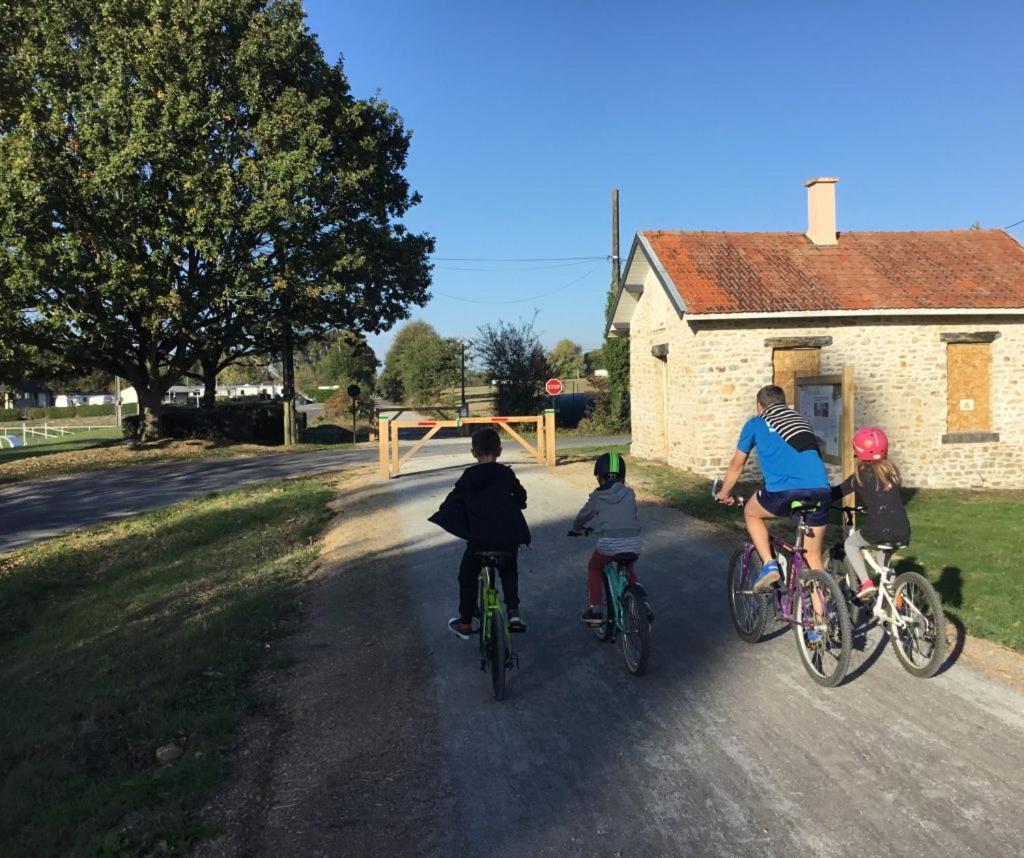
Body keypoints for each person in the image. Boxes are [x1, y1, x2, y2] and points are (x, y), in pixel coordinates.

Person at [715, 384, 832, 592]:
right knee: (813, 556)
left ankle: (769, 564)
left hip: (783, 491)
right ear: (784, 403)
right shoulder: (802, 420)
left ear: (759, 406)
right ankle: (820, 621)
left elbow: (737, 465)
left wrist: (724, 493)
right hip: (821, 489)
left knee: (751, 513)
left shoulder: (756, 423)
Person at [428, 427, 530, 639]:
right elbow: (521, 497)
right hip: (507, 539)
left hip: (480, 542)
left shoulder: (469, 476)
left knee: (467, 575)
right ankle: (513, 613)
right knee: (509, 570)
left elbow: (452, 501)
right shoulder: (506, 473)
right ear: (499, 451)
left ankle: (465, 622)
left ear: (473, 452)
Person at [831, 426, 910, 601]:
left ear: (858, 452)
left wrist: (817, 501)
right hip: (903, 529)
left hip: (878, 529)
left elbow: (837, 493)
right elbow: (885, 498)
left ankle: (866, 583)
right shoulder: (892, 472)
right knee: (885, 559)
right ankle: (896, 596)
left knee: (851, 544)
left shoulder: (860, 475)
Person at [570, 451, 645, 625]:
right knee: (628, 569)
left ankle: (595, 609)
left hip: (609, 544)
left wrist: (576, 528)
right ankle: (644, 603)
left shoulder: (598, 496)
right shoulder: (630, 493)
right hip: (633, 543)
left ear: (599, 477)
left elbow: (583, 516)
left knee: (594, 568)